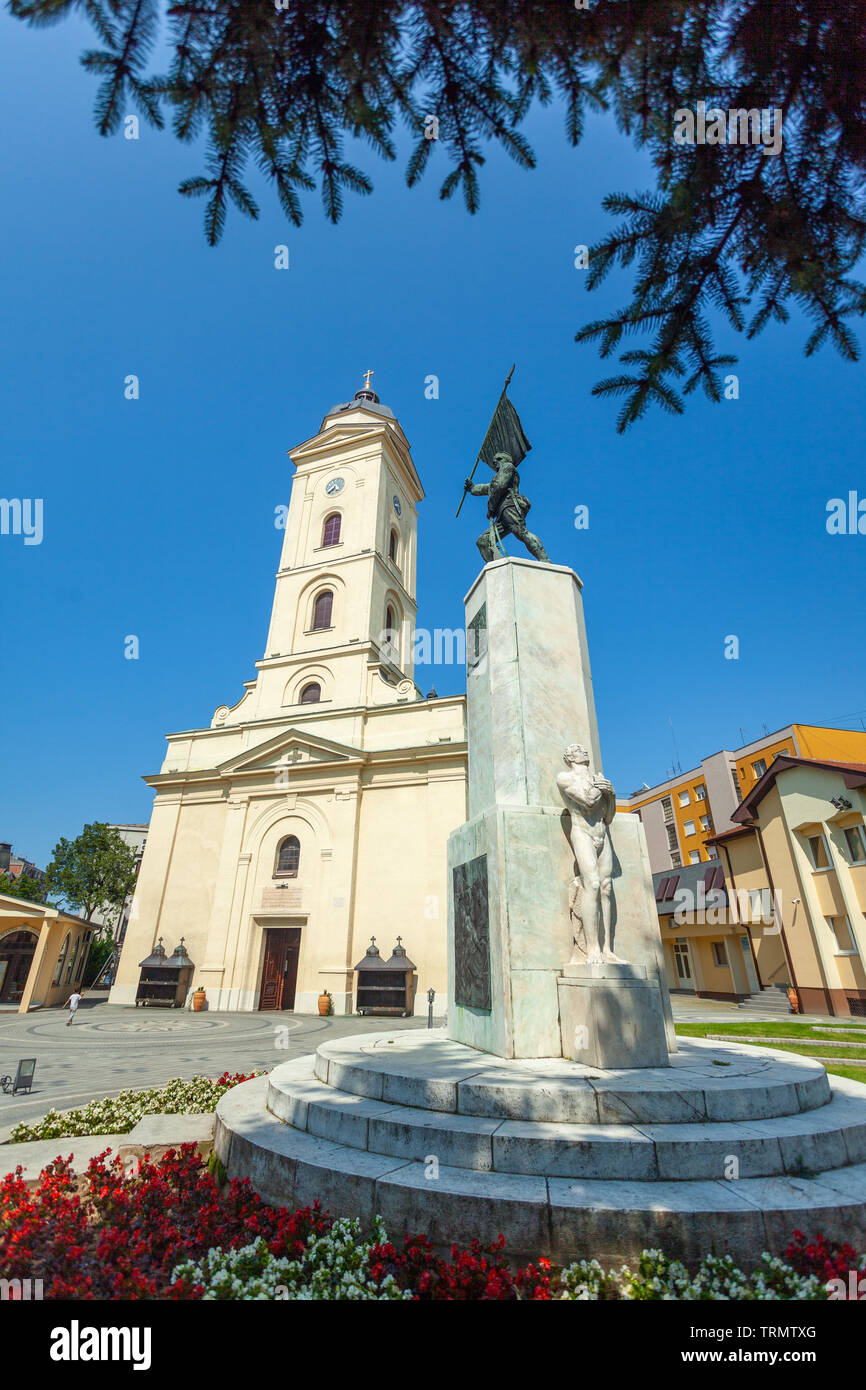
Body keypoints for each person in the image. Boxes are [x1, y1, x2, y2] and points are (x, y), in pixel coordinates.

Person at [557, 743, 626, 965]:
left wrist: (612, 795)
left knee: (606, 887)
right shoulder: (565, 778)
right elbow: (587, 801)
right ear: (569, 757)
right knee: (593, 885)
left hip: (602, 833)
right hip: (582, 832)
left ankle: (607, 949)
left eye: (584, 749)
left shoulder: (598, 778)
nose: (584, 751)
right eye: (577, 749)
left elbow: (609, 817)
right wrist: (602, 788)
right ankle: (592, 949)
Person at [463, 451, 549, 563]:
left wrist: (491, 507)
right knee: (483, 541)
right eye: (494, 460)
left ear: (507, 460)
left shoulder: (508, 467)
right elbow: (488, 488)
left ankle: (544, 559)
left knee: (520, 532)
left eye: (499, 459)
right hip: (502, 514)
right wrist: (472, 488)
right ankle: (497, 568)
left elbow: (499, 486)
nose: (495, 462)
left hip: (510, 506)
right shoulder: (499, 475)